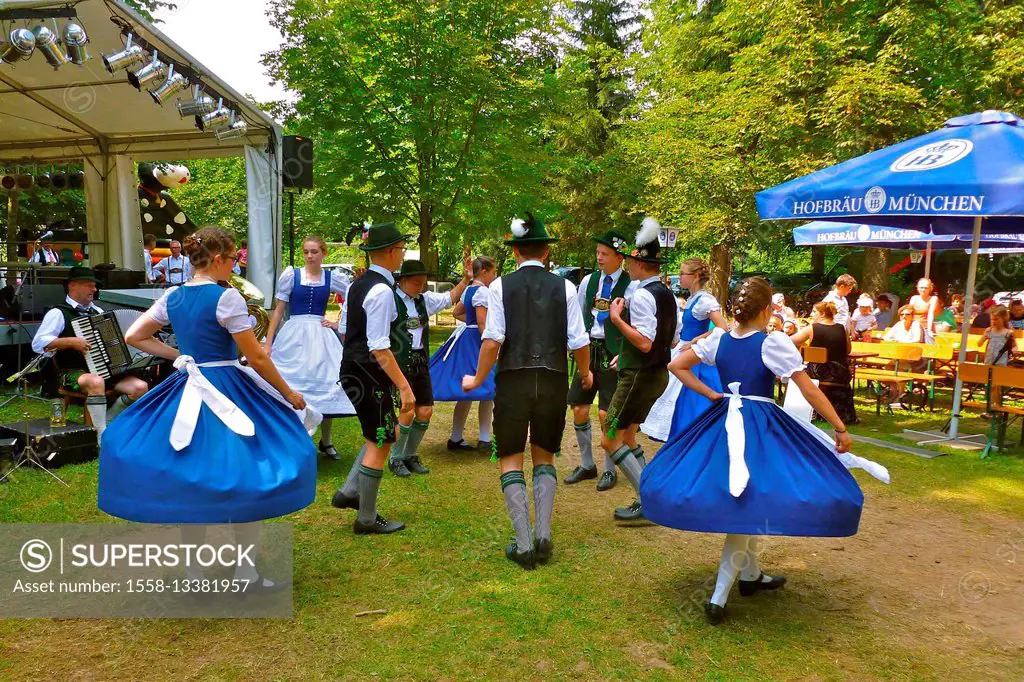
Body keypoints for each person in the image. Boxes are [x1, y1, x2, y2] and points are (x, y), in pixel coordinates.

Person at [641, 276, 889, 625]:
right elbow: (808, 390)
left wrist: (713, 395)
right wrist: (840, 425)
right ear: (765, 309)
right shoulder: (772, 343)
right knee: (747, 500)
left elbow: (676, 365)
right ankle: (718, 596)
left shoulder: (719, 339)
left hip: (723, 419)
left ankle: (750, 575)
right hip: (758, 425)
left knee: (750, 498)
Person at [97, 226, 317, 593]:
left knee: (190, 479)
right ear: (218, 259)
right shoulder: (225, 298)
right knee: (247, 476)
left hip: (188, 386)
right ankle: (245, 573)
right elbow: (256, 355)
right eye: (233, 259)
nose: (235, 266)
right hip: (228, 388)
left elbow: (135, 335)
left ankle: (195, 575)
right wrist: (288, 392)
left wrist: (181, 358)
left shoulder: (173, 295)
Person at [461, 212, 591, 570]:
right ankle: (544, 534)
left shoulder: (499, 286)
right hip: (551, 378)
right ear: (547, 252)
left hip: (514, 379)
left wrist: (476, 378)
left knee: (510, 457)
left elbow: (493, 340)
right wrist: (585, 372)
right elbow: (579, 340)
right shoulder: (565, 287)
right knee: (545, 455)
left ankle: (522, 544)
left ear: (516, 252)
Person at [329, 222, 414, 535]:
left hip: (354, 368)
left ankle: (349, 491)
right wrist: (404, 386)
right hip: (368, 372)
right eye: (402, 249)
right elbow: (379, 345)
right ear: (391, 252)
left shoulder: (358, 285)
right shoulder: (381, 290)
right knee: (382, 438)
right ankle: (366, 518)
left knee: (377, 433)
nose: (403, 254)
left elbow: (344, 329)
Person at [601, 218, 679, 522]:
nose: (628, 265)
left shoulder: (644, 295)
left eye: (631, 260)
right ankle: (654, 495)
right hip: (653, 374)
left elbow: (646, 343)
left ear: (641, 264)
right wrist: (626, 355)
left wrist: (617, 318)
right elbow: (670, 338)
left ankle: (648, 503)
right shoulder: (666, 294)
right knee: (629, 435)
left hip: (639, 377)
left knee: (610, 437)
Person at [31, 267, 150, 443]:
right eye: (89, 285)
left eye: (94, 286)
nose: (94, 290)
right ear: (73, 285)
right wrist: (71, 341)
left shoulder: (99, 313)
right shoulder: (59, 313)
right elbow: (38, 343)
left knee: (140, 387)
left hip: (106, 371)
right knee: (96, 381)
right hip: (72, 372)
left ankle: (108, 422)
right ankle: (101, 437)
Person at [263, 235, 355, 461]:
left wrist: (337, 323)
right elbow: (278, 309)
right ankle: (296, 439)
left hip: (320, 333)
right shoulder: (291, 276)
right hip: (294, 333)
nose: (310, 256)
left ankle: (327, 440)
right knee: (292, 383)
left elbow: (354, 298)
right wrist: (268, 341)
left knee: (327, 382)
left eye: (314, 251)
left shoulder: (333, 277)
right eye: (306, 252)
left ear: (324, 253)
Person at [388, 257, 473, 476]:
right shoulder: (389, 300)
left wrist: (465, 280)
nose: (421, 286)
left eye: (423, 282)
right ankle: (395, 458)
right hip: (399, 362)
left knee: (425, 411)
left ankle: (409, 455)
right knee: (406, 410)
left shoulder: (423, 300)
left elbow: (449, 298)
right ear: (403, 281)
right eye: (417, 282)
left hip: (420, 361)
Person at [563, 230, 632, 491]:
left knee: (607, 413)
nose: (599, 258)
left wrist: (625, 352)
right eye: (597, 253)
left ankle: (609, 469)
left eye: (604, 254)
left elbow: (637, 324)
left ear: (619, 257)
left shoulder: (631, 285)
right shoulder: (589, 281)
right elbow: (579, 316)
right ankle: (587, 464)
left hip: (613, 353)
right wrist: (575, 345)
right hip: (588, 350)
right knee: (579, 409)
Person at [641, 257, 726, 444]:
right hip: (681, 349)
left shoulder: (705, 300)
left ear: (695, 276)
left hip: (694, 355)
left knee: (691, 400)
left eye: (682, 273)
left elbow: (722, 328)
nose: (679, 277)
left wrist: (697, 340)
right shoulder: (692, 299)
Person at [431, 256, 498, 451]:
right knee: (488, 387)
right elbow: (482, 322)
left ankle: (456, 437)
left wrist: (469, 324)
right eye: (493, 272)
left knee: (466, 391)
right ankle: (484, 438)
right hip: (477, 342)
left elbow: (457, 313)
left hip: (465, 339)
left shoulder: (469, 290)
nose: (494, 276)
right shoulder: (483, 292)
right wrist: (493, 344)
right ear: (484, 271)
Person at [790, 301, 857, 425]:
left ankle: (804, 410)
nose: (812, 314)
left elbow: (792, 341)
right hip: (840, 373)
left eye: (814, 311)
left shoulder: (812, 328)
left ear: (822, 313)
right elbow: (848, 350)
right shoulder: (842, 328)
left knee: (797, 372)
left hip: (818, 373)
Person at [981, 305, 1016, 418]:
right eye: (992, 319)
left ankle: (996, 407)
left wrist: (1014, 351)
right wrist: (984, 337)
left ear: (1003, 319)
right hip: (990, 360)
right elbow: (979, 343)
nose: (994, 322)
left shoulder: (1008, 333)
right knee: (990, 385)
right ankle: (990, 407)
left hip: (1001, 361)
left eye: (997, 319)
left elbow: (1015, 346)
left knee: (997, 386)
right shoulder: (989, 330)